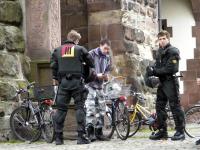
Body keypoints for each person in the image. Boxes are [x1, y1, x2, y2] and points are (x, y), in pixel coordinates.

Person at [50, 30, 95, 145]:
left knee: (61, 110)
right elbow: (91, 62)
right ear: (75, 40)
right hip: (77, 83)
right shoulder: (80, 49)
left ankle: (59, 138)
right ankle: (81, 137)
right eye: (78, 40)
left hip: (63, 84)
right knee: (80, 108)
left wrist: (58, 79)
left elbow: (53, 66)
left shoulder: (57, 50)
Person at [146, 30, 185, 141]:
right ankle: (162, 131)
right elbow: (158, 66)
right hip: (162, 82)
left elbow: (171, 69)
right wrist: (151, 69)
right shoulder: (159, 51)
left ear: (168, 39)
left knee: (175, 106)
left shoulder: (173, 51)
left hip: (171, 81)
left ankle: (180, 131)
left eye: (164, 38)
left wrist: (155, 71)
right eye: (160, 39)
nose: (162, 41)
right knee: (159, 106)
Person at [85, 39, 112, 142]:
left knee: (101, 109)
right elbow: (86, 70)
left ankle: (99, 132)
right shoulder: (91, 54)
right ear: (100, 45)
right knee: (90, 109)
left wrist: (106, 76)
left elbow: (108, 70)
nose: (106, 51)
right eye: (105, 48)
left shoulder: (107, 58)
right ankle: (90, 133)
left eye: (108, 49)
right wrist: (96, 75)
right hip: (90, 85)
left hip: (100, 86)